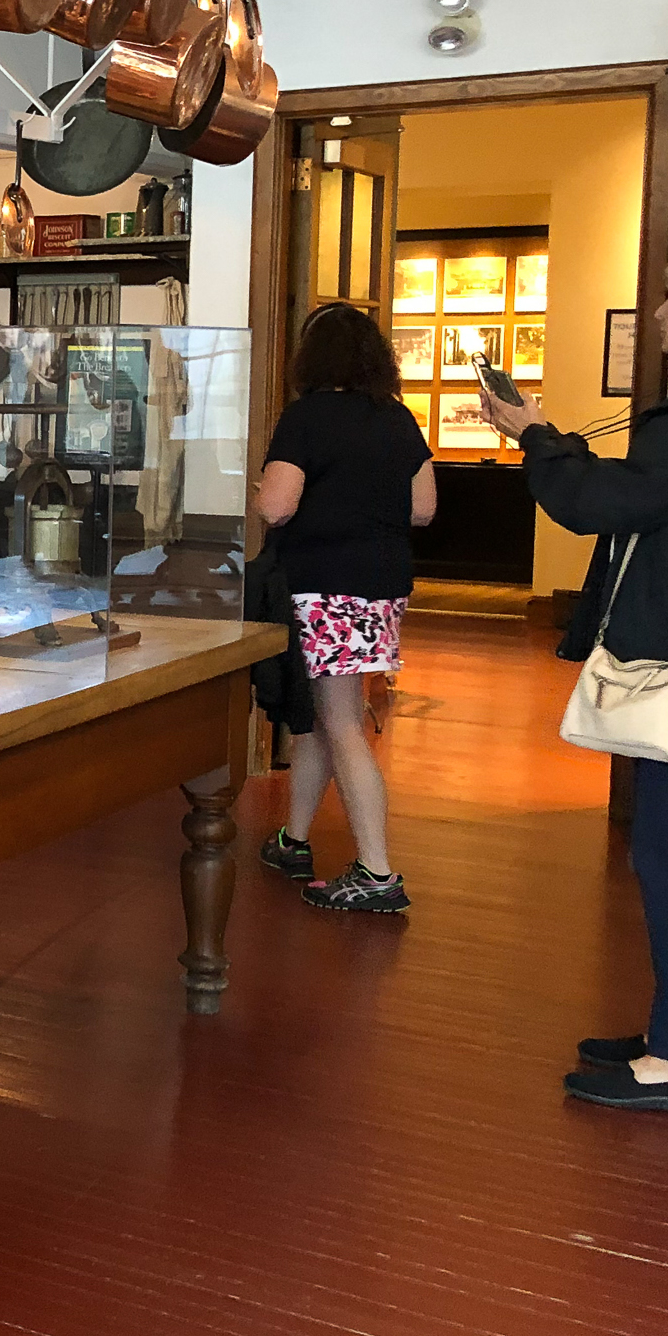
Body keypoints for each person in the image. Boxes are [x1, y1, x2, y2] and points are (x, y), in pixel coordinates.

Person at [484, 250, 668, 1116]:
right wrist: (549, 437)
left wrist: (533, 438)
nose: (658, 314)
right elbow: (635, 489)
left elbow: (604, 505)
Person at [253, 303, 437, 912]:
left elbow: (277, 507)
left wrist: (265, 491)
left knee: (340, 723)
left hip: (323, 586)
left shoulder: (306, 417)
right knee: (326, 716)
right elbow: (423, 509)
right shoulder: (397, 419)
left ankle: (378, 873)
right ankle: (295, 841)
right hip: (381, 587)